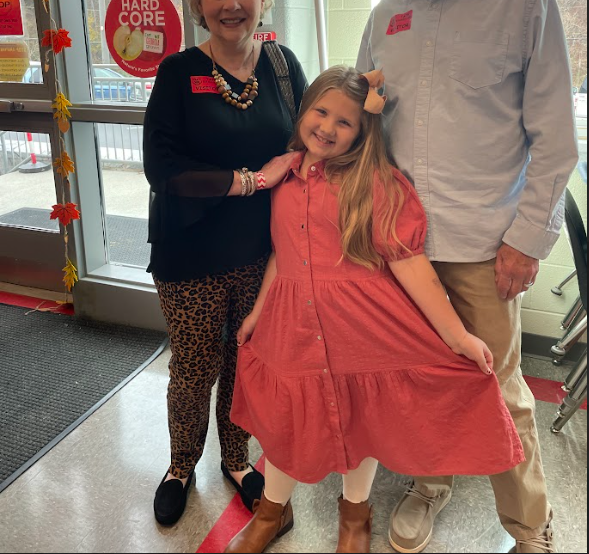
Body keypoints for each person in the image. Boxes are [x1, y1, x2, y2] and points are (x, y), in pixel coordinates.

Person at [357, 0, 579, 554]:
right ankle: (429, 485)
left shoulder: (525, 0)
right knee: (421, 383)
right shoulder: (387, 12)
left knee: (501, 390)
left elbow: (555, 141)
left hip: (486, 249)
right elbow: (363, 123)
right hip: (401, 249)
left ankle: (531, 527)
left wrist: (525, 241)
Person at [222, 66, 524, 554]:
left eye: (345, 123)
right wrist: (258, 312)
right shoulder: (283, 173)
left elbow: (410, 265)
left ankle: (355, 517)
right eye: (320, 112)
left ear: (363, 133)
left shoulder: (376, 184)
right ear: (304, 112)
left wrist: (456, 337)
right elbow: (282, 253)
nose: (328, 127)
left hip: (360, 327)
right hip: (291, 324)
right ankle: (272, 513)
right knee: (287, 424)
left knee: (358, 422)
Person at [143, 0, 307, 526]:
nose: (232, 4)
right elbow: (162, 168)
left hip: (261, 254)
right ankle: (180, 465)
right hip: (189, 252)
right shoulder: (177, 72)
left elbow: (309, 140)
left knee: (245, 364)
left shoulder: (285, 67)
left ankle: (236, 460)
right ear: (197, 0)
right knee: (193, 369)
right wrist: (250, 180)